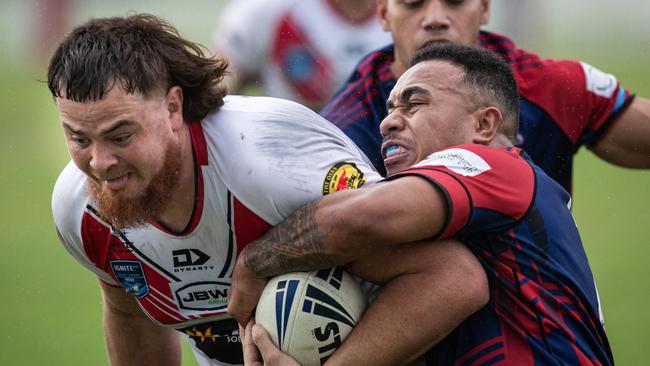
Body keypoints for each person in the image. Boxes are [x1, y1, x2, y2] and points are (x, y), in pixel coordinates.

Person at [49, 14, 486, 366]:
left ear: (172, 108)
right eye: (79, 139)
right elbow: (130, 312)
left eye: (121, 136)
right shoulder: (79, 209)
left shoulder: (270, 162)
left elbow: (452, 278)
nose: (100, 164)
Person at [229, 43, 613, 365]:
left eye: (414, 105)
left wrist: (254, 260)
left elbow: (361, 219)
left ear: (484, 126)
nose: (388, 123)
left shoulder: (496, 166)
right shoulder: (464, 223)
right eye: (390, 109)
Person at [322, 0, 650, 189]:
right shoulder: (344, 130)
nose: (435, 18)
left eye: (455, 0)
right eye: (413, 2)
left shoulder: (549, 88)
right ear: (382, 13)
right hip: (419, 300)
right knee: (457, 274)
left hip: (540, 308)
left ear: (484, 7)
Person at [212, 0, 391, 110]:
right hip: (282, 156)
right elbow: (217, 90)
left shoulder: (411, 12)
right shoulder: (266, 9)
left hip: (382, 158)